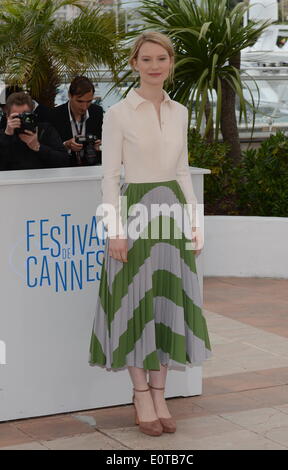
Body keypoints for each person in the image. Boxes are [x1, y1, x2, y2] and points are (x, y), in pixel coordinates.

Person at [89, 32, 212, 437]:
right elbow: (109, 178)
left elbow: (182, 170)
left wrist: (197, 221)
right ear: (134, 63)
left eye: (162, 58)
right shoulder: (119, 113)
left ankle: (160, 394)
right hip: (135, 214)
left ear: (171, 63)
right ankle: (140, 394)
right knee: (134, 304)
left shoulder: (179, 112)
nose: (155, 65)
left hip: (173, 213)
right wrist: (115, 231)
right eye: (147, 59)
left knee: (165, 302)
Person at [0, 92, 69, 171]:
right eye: (16, 116)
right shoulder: (3, 135)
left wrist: (38, 147)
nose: (20, 120)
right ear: (7, 116)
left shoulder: (45, 130)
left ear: (32, 114)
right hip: (13, 182)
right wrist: (7, 136)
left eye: (25, 116)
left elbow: (64, 161)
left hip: (42, 181)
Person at [50, 76, 103, 166]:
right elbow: (50, 148)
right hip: (65, 170)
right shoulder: (54, 115)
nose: (85, 107)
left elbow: (103, 139)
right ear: (70, 96)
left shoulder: (97, 112)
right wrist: (66, 145)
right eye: (80, 101)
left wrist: (100, 145)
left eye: (89, 101)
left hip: (92, 167)